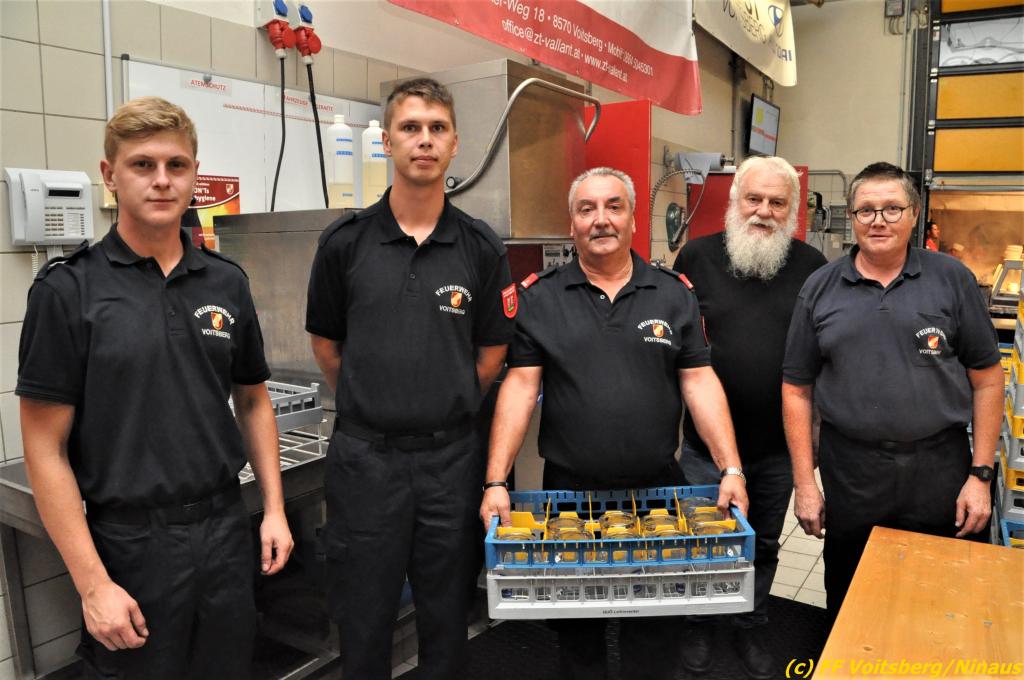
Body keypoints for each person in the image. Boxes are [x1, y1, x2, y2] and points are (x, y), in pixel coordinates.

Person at [17, 96, 293, 679]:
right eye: (143, 165)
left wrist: (273, 510)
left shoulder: (226, 281)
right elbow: (44, 448)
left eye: (177, 165)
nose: (162, 180)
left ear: (195, 175)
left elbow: (251, 400)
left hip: (224, 528)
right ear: (110, 174)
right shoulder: (68, 291)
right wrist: (93, 585)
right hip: (130, 542)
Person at [480, 167, 749, 680]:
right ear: (572, 223)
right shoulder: (539, 297)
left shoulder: (673, 293)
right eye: (587, 209)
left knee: (655, 630)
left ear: (632, 219)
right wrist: (496, 480)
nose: (600, 219)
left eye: (613, 206)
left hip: (657, 493)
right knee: (578, 634)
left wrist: (730, 468)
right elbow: (519, 388)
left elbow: (699, 383)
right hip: (568, 498)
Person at [306, 78, 515, 680]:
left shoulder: (480, 247)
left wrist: (444, 402)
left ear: (454, 143)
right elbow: (327, 347)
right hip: (365, 466)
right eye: (410, 127)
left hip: (451, 465)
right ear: (388, 142)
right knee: (363, 622)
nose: (424, 140)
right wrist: (378, 403)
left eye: (437, 128)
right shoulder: (344, 244)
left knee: (448, 621)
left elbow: (491, 354)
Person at [782, 162, 1000, 624]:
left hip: (939, 469)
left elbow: (987, 379)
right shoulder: (820, 288)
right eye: (866, 210)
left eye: (892, 209)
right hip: (853, 472)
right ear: (852, 217)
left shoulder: (951, 279)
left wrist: (980, 476)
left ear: (914, 214)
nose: (878, 220)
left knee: (945, 600)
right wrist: (805, 484)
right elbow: (796, 388)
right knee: (852, 598)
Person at [672, 156, 826, 679]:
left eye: (777, 202)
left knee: (760, 544)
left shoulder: (811, 266)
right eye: (753, 199)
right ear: (735, 200)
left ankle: (750, 624)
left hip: (778, 447)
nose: (763, 211)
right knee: (701, 541)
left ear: (793, 209)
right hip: (706, 447)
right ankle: (697, 624)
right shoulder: (696, 257)